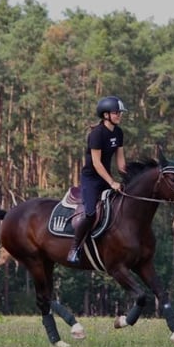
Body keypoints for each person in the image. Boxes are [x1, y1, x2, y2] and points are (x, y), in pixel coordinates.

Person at [67, 95, 128, 265]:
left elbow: (121, 162)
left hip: (106, 177)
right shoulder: (96, 134)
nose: (119, 116)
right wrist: (112, 182)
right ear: (106, 115)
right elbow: (96, 163)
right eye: (116, 113)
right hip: (92, 179)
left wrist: (128, 178)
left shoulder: (118, 132)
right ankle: (75, 248)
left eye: (120, 113)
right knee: (90, 213)